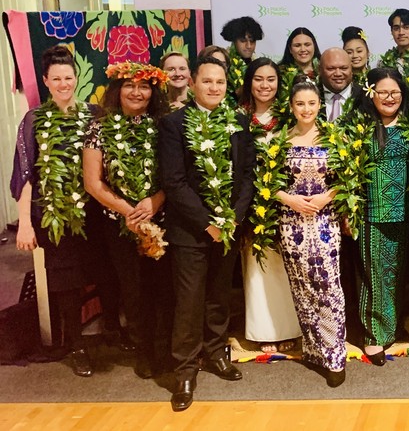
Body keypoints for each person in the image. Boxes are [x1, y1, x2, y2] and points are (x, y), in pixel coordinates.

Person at [158, 56, 255, 412]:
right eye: (208, 81)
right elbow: (174, 181)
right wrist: (207, 223)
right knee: (189, 301)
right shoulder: (174, 123)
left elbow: (246, 175)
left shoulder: (239, 122)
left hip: (228, 228)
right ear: (194, 84)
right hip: (190, 230)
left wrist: (233, 218)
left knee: (219, 295)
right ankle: (184, 369)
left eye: (220, 82)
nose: (214, 87)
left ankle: (216, 353)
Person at [11, 46, 100, 377]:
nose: (64, 84)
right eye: (57, 79)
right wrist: (24, 224)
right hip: (54, 217)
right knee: (65, 280)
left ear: (77, 78)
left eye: (69, 77)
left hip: (95, 212)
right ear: (46, 81)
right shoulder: (34, 120)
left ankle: (116, 335)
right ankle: (75, 345)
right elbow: (24, 175)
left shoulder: (95, 114)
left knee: (105, 271)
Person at [82, 61, 173, 379]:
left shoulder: (163, 125)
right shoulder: (99, 126)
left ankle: (165, 351)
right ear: (117, 90)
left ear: (153, 92)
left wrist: (154, 201)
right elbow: (93, 183)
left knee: (164, 289)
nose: (137, 92)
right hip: (119, 224)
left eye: (144, 86)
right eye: (130, 86)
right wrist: (129, 212)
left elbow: (175, 175)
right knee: (133, 290)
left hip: (161, 220)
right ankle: (144, 352)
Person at [276, 76, 347, 387]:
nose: (306, 108)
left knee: (328, 286)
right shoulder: (279, 140)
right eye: (300, 103)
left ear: (320, 105)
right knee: (301, 287)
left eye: (312, 103)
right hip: (291, 224)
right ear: (291, 107)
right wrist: (289, 199)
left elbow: (347, 178)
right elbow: (265, 183)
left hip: (324, 221)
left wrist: (324, 197)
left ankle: (335, 356)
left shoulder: (333, 137)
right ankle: (314, 350)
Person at [352, 67, 409, 366]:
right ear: (371, 94)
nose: (389, 98)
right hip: (370, 214)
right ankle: (373, 336)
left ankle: (392, 326)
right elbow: (346, 171)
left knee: (398, 274)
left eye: (395, 93)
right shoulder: (359, 126)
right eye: (383, 92)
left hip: (405, 214)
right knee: (373, 277)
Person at [238, 58, 301, 354]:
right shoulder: (237, 118)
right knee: (256, 266)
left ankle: (288, 328)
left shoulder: (290, 117)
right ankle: (262, 330)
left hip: (287, 201)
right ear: (250, 82)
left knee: (284, 267)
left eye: (271, 79)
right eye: (259, 79)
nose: (265, 85)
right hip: (250, 203)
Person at [220, 16, 264, 94]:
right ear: (234, 41)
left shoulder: (258, 64)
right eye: (243, 41)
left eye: (252, 41)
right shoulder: (223, 63)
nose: (249, 46)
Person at [319, 47, 358, 122]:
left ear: (351, 69)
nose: (338, 74)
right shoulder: (310, 96)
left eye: (344, 68)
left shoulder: (365, 97)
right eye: (331, 69)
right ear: (320, 70)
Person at [379, 8, 409, 82]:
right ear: (391, 31)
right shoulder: (384, 63)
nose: (401, 32)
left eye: (406, 27)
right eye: (396, 28)